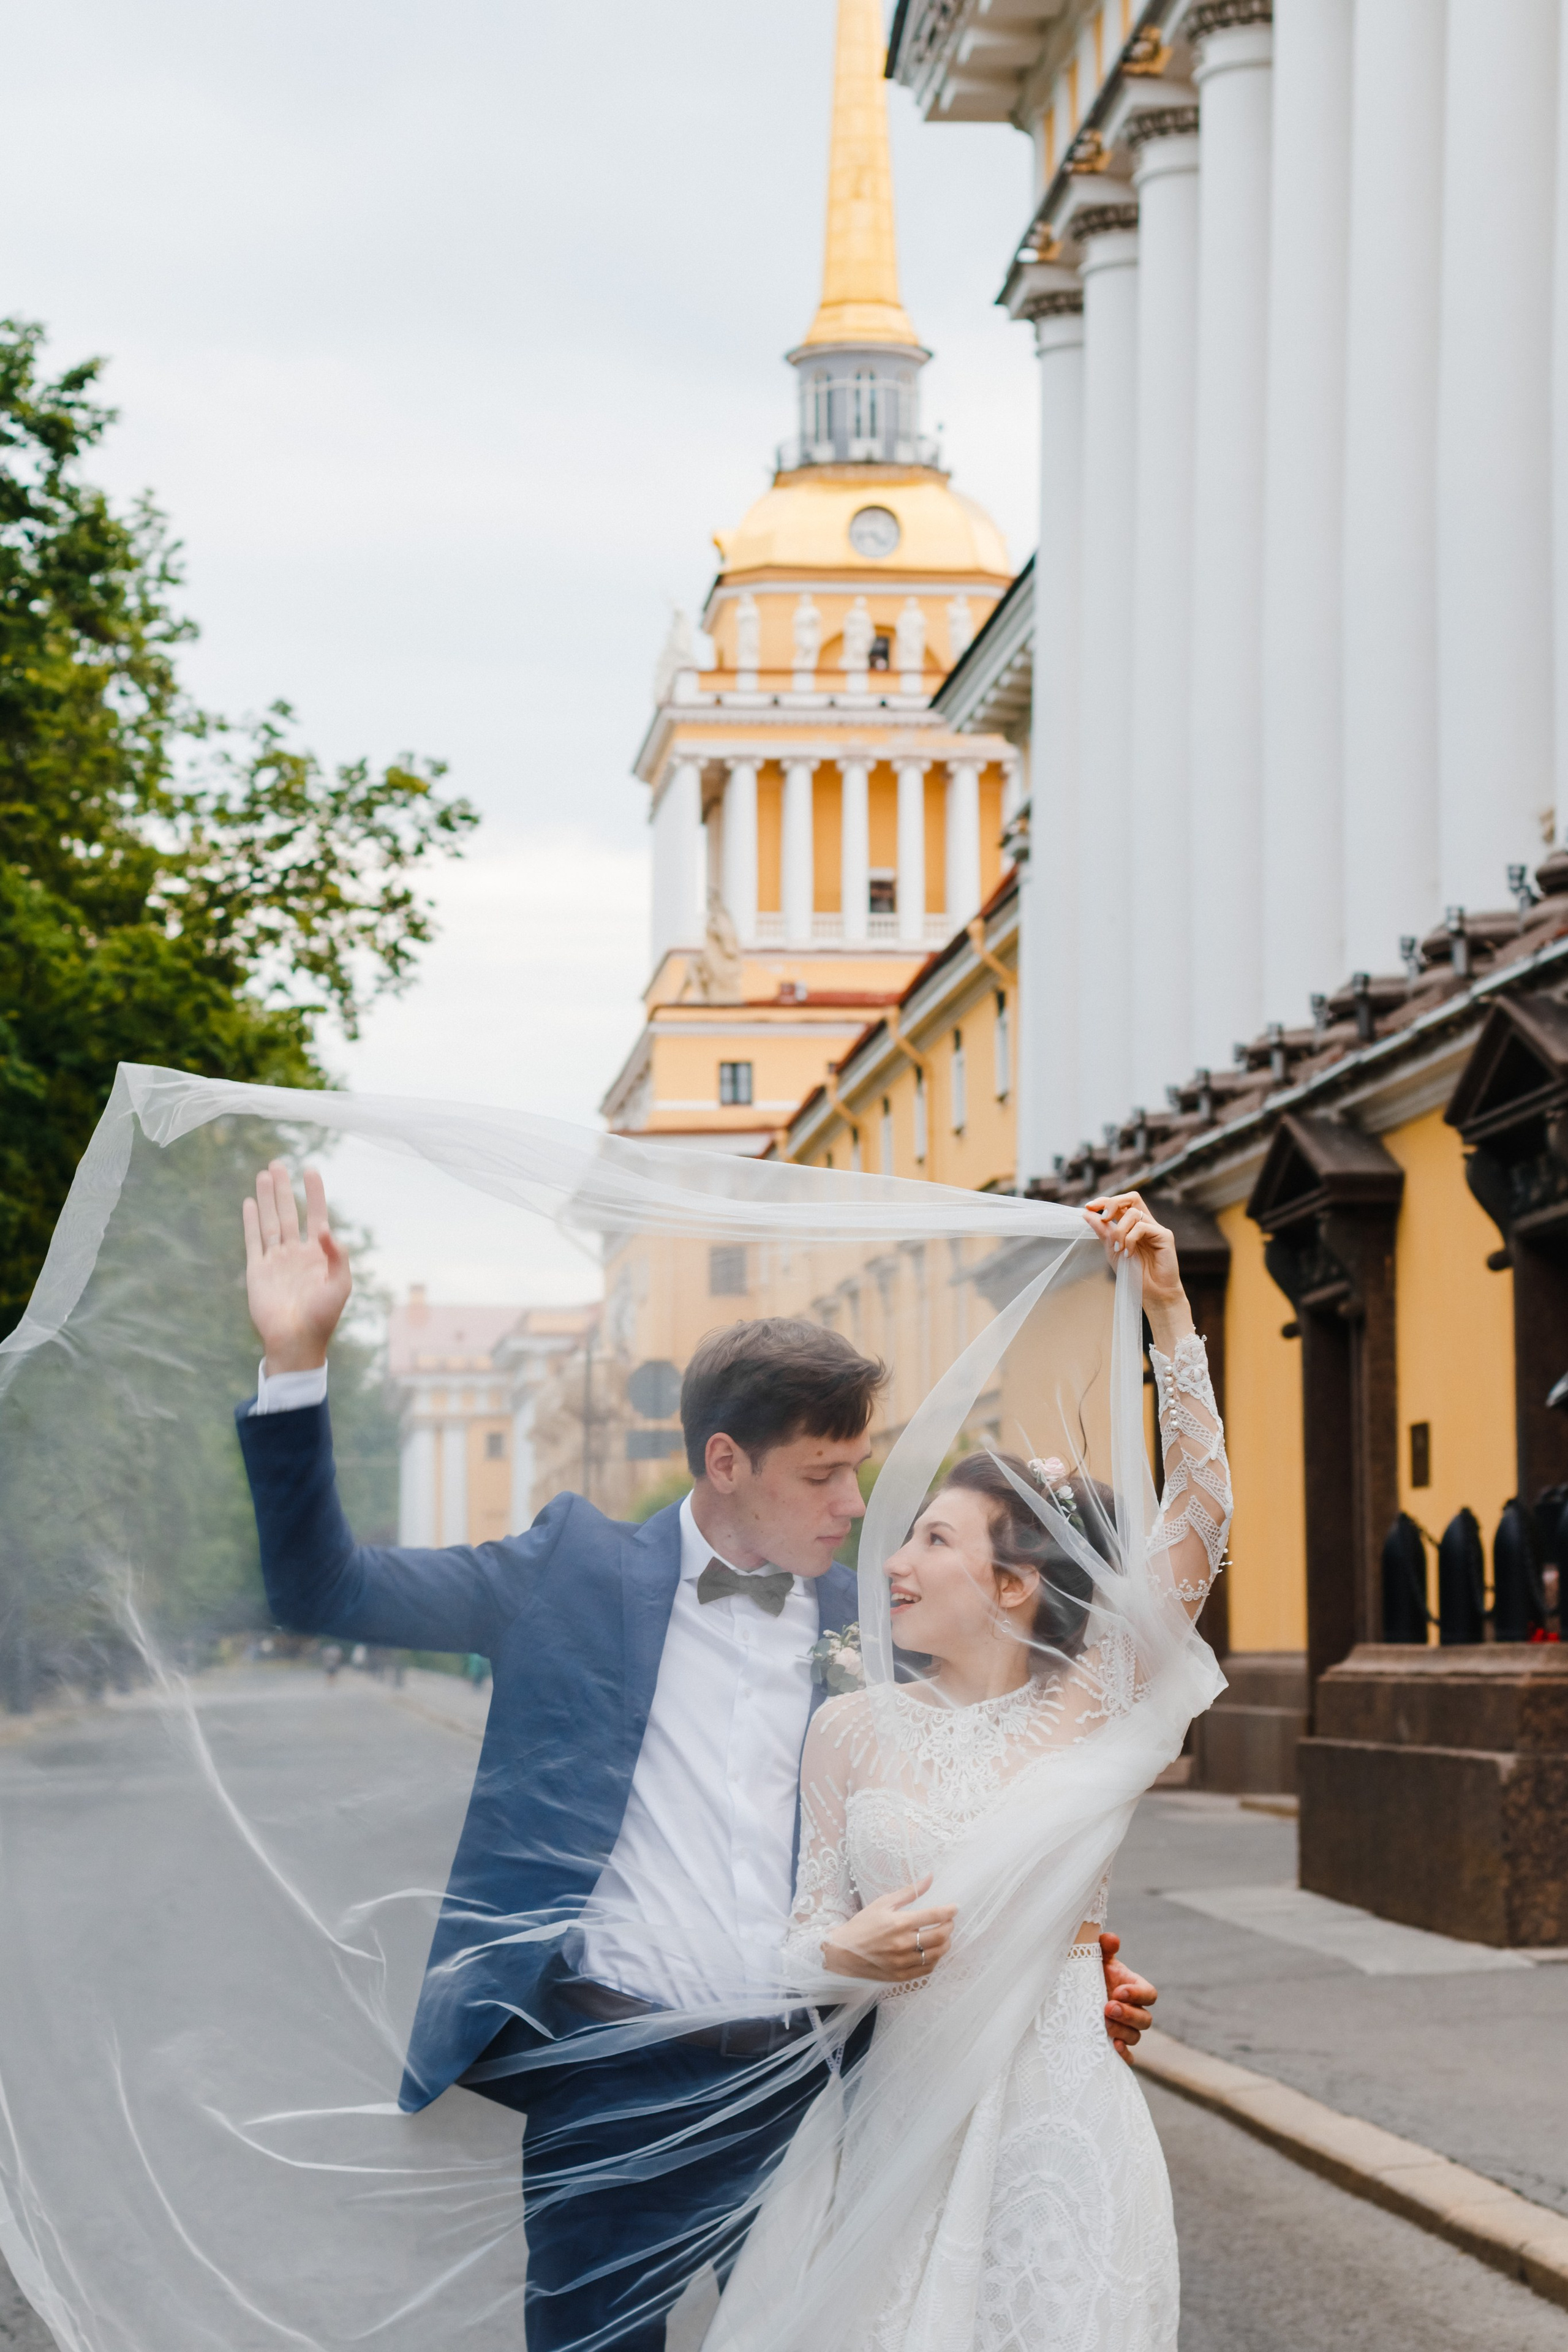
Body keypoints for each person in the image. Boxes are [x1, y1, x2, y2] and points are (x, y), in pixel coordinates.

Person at [235, 1159, 1164, 2352]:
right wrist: (296, 1362)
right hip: (610, 2075)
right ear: (726, 1463)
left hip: (817, 2087)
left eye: (855, 1468)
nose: (853, 1503)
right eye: (821, 1474)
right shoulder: (565, 1575)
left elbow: (985, 1795)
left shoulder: (881, 1627)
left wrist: (1068, 1976)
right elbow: (324, 1590)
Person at [717, 1188, 1229, 2352]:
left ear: (1012, 1585)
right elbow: (804, 1936)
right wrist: (838, 1954)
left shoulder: (1096, 1705)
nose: (893, 1561)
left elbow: (1201, 1508)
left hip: (1061, 2134)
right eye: (906, 1535)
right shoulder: (850, 1731)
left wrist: (1167, 1308)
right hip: (892, 2133)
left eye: (934, 1539)